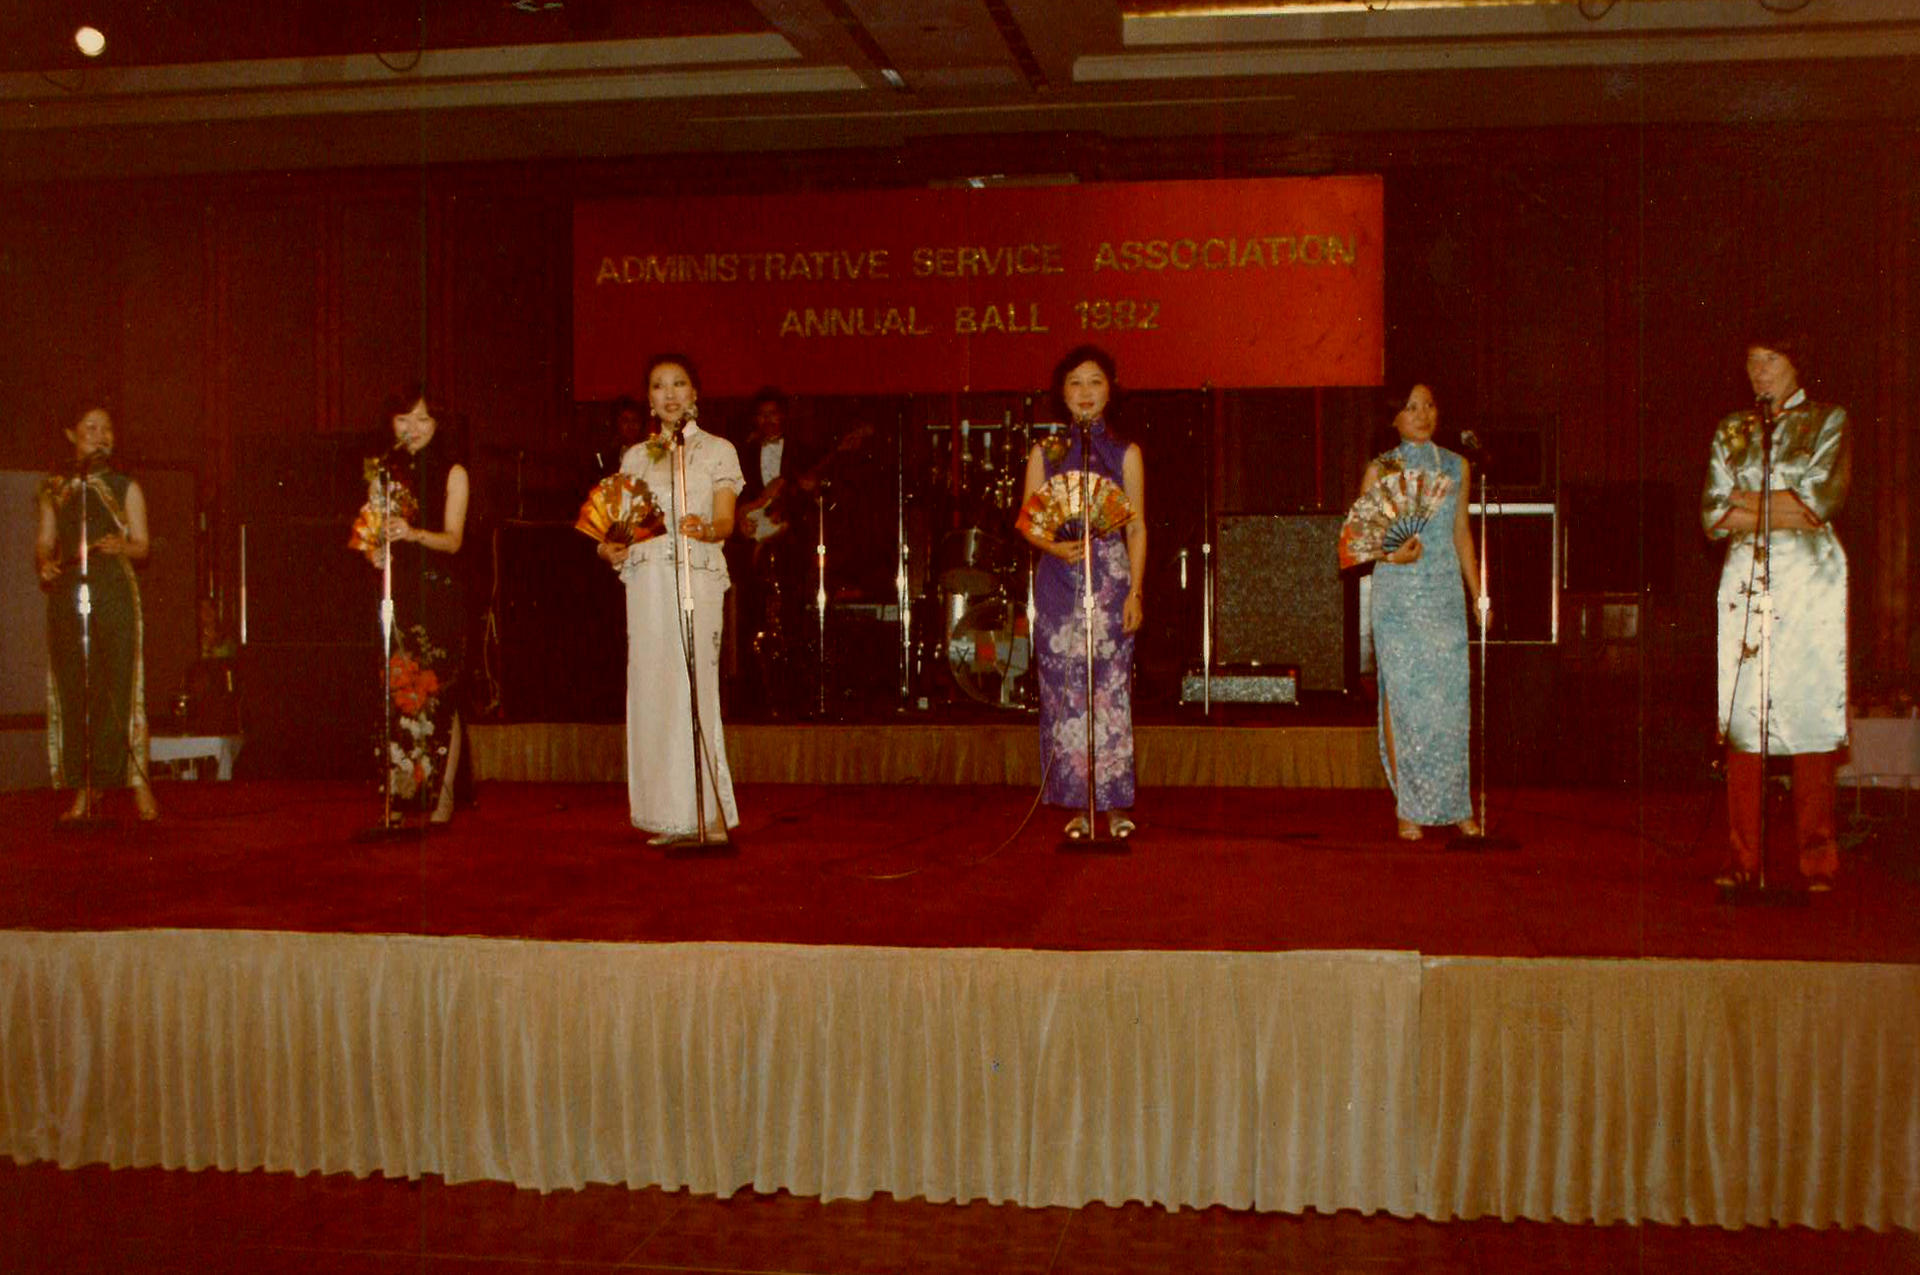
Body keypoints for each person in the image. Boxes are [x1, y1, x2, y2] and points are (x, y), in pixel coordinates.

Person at [1701, 333, 1850, 891]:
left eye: (1770, 361)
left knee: (1809, 710)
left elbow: (1821, 503)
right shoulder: (1733, 430)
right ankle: (1745, 860)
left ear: (1796, 364)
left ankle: (1816, 857)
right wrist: (1780, 505)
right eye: (1751, 361)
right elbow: (1713, 515)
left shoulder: (1828, 421)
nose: (1759, 373)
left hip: (1810, 580)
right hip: (1747, 576)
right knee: (1745, 717)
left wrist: (1750, 502)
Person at [597, 354, 743, 844]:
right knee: (654, 691)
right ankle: (670, 814)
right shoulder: (635, 457)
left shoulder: (718, 450)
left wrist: (707, 528)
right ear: (649, 399)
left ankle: (711, 816)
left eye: (679, 384)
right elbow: (620, 528)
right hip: (648, 581)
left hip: (696, 575)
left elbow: (726, 519)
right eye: (659, 386)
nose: (670, 394)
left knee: (694, 687)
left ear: (695, 394)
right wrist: (609, 546)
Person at [1017, 345, 1146, 840]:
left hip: (1111, 582)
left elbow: (1137, 529)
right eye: (1075, 383)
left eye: (1095, 381)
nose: (1085, 392)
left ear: (1110, 390)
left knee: (1111, 695)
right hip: (1058, 582)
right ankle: (1077, 805)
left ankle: (1113, 805)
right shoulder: (1044, 452)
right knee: (1065, 693)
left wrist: (1136, 591)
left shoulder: (1126, 453)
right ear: (1062, 394)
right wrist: (1054, 544)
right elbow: (1030, 521)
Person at [1361, 383, 1483, 842]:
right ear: (1393, 416)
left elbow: (1461, 532)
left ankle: (1456, 805)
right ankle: (1408, 806)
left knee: (1450, 702)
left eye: (1430, 404)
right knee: (1406, 699)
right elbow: (1361, 541)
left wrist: (1477, 593)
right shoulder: (1381, 468)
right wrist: (1395, 556)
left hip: (1443, 593)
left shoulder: (1455, 466)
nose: (1422, 413)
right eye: (1411, 406)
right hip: (1397, 596)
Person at [36, 403, 160, 824]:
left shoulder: (126, 486)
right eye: (90, 427)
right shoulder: (55, 488)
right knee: (75, 684)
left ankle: (137, 782)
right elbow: (44, 541)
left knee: (119, 683)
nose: (100, 434)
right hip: (70, 591)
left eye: (107, 427)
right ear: (71, 434)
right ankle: (85, 788)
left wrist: (121, 547)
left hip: (113, 589)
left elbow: (142, 545)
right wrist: (45, 563)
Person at [362, 385, 470, 826]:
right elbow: (370, 535)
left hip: (439, 589)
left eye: (424, 420)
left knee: (440, 696)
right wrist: (375, 549)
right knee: (401, 691)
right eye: (405, 419)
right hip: (398, 590)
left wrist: (412, 534)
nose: (413, 428)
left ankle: (443, 798)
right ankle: (404, 792)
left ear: (438, 425)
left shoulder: (453, 470)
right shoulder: (382, 472)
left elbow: (454, 539)